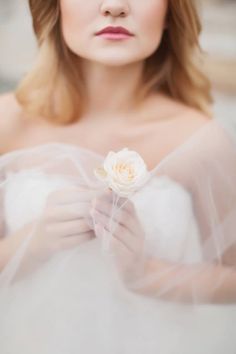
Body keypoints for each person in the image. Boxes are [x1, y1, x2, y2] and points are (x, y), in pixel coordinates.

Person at [0, 1, 236, 353]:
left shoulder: (201, 140)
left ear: (171, 12)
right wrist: (33, 242)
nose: (114, 7)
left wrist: (146, 274)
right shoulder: (7, 121)